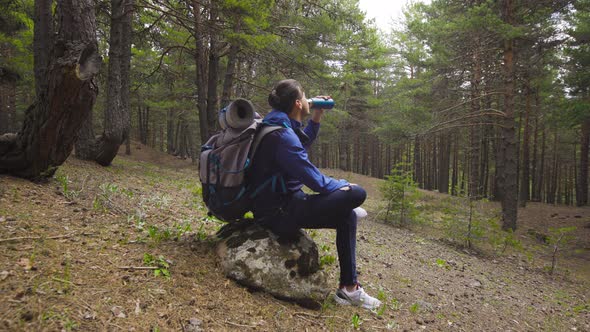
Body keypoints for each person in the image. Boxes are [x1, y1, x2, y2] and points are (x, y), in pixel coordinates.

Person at [248, 79, 382, 310]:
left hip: (274, 205)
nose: (310, 98)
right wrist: (344, 187)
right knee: (357, 194)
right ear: (299, 103)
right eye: (305, 95)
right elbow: (316, 182)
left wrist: (316, 117)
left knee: (347, 215)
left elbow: (299, 142)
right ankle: (349, 288)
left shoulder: (275, 124)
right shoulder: (283, 137)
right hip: (279, 212)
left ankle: (349, 289)